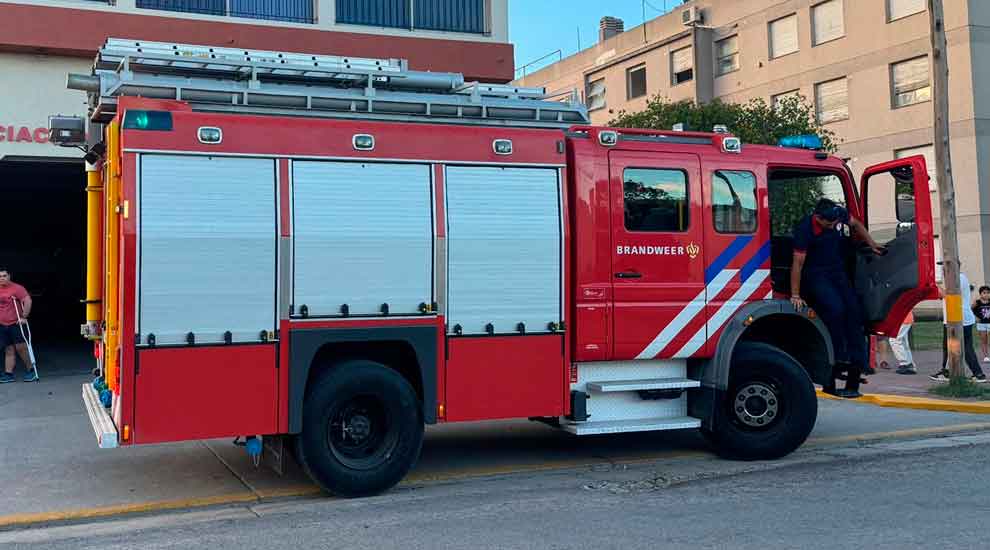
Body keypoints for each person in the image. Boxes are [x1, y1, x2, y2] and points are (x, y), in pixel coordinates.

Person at [790, 198, 885, 398]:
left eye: (835, 222)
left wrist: (872, 244)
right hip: (815, 273)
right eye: (829, 223)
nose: (833, 226)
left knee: (855, 313)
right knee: (835, 309)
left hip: (836, 270)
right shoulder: (805, 229)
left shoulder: (836, 212)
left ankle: (858, 364)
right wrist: (795, 294)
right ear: (818, 217)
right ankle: (838, 357)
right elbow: (798, 263)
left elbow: (856, 224)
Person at [930, 268, 987, 383]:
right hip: (960, 318)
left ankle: (949, 373)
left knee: (954, 347)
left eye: (945, 267)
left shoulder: (957, 279)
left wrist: (935, 284)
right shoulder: (960, 278)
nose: (943, 270)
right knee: (961, 347)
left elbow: (947, 296)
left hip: (957, 319)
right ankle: (977, 374)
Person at [0, 269, 35, 383]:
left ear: (9, 276)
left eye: (4, 276)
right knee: (8, 349)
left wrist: (24, 316)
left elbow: (27, 300)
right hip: (2, 324)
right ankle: (8, 374)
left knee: (21, 348)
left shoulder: (17, 288)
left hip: (16, 323)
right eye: (0, 276)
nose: (2, 278)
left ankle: (31, 370)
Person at [889, 310, 916, 375]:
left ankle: (905, 364)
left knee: (894, 340)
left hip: (902, 319)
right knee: (903, 343)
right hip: (904, 318)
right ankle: (909, 364)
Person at [973, 285, 990, 362]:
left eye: (988, 293)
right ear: (980, 294)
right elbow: (970, 310)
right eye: (984, 293)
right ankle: (986, 356)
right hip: (981, 324)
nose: (986, 294)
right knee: (984, 340)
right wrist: (975, 318)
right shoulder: (977, 302)